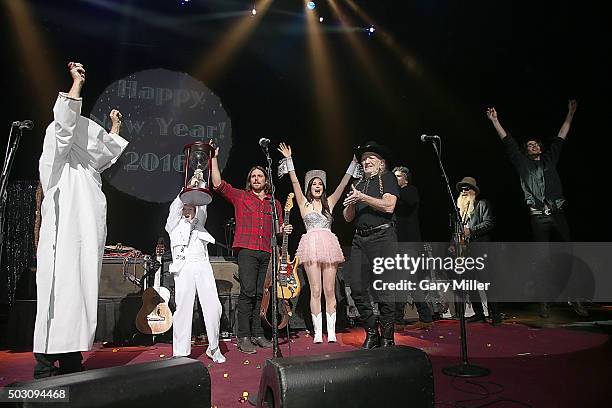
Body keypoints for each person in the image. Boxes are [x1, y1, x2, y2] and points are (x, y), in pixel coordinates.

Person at [33, 62, 128, 378]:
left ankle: (71, 357)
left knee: (78, 297)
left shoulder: (88, 169)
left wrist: (114, 129)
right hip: (62, 239)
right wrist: (76, 86)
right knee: (58, 295)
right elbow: (63, 127)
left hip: (85, 239)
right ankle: (45, 365)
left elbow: (103, 154)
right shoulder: (56, 158)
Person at [486, 100, 587, 318]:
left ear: (540, 148)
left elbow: (561, 136)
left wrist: (570, 113)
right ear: (526, 150)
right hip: (538, 216)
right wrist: (495, 120)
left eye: (536, 145)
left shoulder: (550, 159)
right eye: (529, 145)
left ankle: (575, 298)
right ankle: (544, 302)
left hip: (557, 212)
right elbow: (508, 141)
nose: (533, 146)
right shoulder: (522, 163)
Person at [211, 147, 292, 354]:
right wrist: (213, 159)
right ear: (250, 180)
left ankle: (257, 333)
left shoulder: (275, 204)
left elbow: (279, 230)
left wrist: (285, 229)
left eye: (260, 176)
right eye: (253, 176)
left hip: (267, 251)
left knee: (260, 294)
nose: (256, 179)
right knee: (247, 292)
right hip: (247, 250)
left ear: (266, 180)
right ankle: (243, 336)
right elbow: (218, 185)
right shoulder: (241, 197)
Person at [277, 143, 355, 343]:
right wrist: (289, 159)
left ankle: (330, 332)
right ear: (309, 187)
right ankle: (318, 333)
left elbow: (343, 184)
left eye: (320, 183)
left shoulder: (330, 201)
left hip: (328, 245)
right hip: (311, 246)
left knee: (330, 290)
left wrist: (353, 164)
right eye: (314, 184)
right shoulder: (303, 203)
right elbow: (294, 181)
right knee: (315, 290)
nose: (317, 186)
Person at [343, 141, 399, 348]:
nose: (366, 161)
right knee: (356, 287)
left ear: (381, 163)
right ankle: (371, 331)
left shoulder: (387, 178)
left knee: (385, 290)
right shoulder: (357, 184)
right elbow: (348, 218)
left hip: (382, 237)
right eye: (364, 159)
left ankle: (387, 337)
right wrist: (350, 204)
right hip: (360, 238)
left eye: (371, 159)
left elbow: (389, 206)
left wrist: (362, 197)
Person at [165, 192, 225, 363]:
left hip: (202, 266)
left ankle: (213, 347)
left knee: (214, 307)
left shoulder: (200, 224)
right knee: (183, 308)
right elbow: (175, 207)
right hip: (184, 267)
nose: (188, 211)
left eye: (191, 208)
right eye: (185, 208)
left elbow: (202, 203)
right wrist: (186, 189)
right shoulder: (173, 225)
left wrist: (199, 186)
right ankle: (180, 351)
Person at [454, 177, 501, 325]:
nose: (464, 191)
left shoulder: (482, 204)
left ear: (474, 190)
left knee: (487, 283)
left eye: (467, 188)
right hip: (466, 252)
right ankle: (479, 314)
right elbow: (459, 230)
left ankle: (495, 315)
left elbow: (489, 223)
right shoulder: (460, 209)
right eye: (462, 189)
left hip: (481, 250)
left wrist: (471, 231)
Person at [392, 166, 433, 330]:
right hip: (400, 244)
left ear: (406, 178)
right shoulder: (396, 197)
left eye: (398, 176)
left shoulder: (410, 190)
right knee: (411, 282)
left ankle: (397, 319)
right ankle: (426, 317)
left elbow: (410, 202)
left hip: (409, 244)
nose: (395, 179)